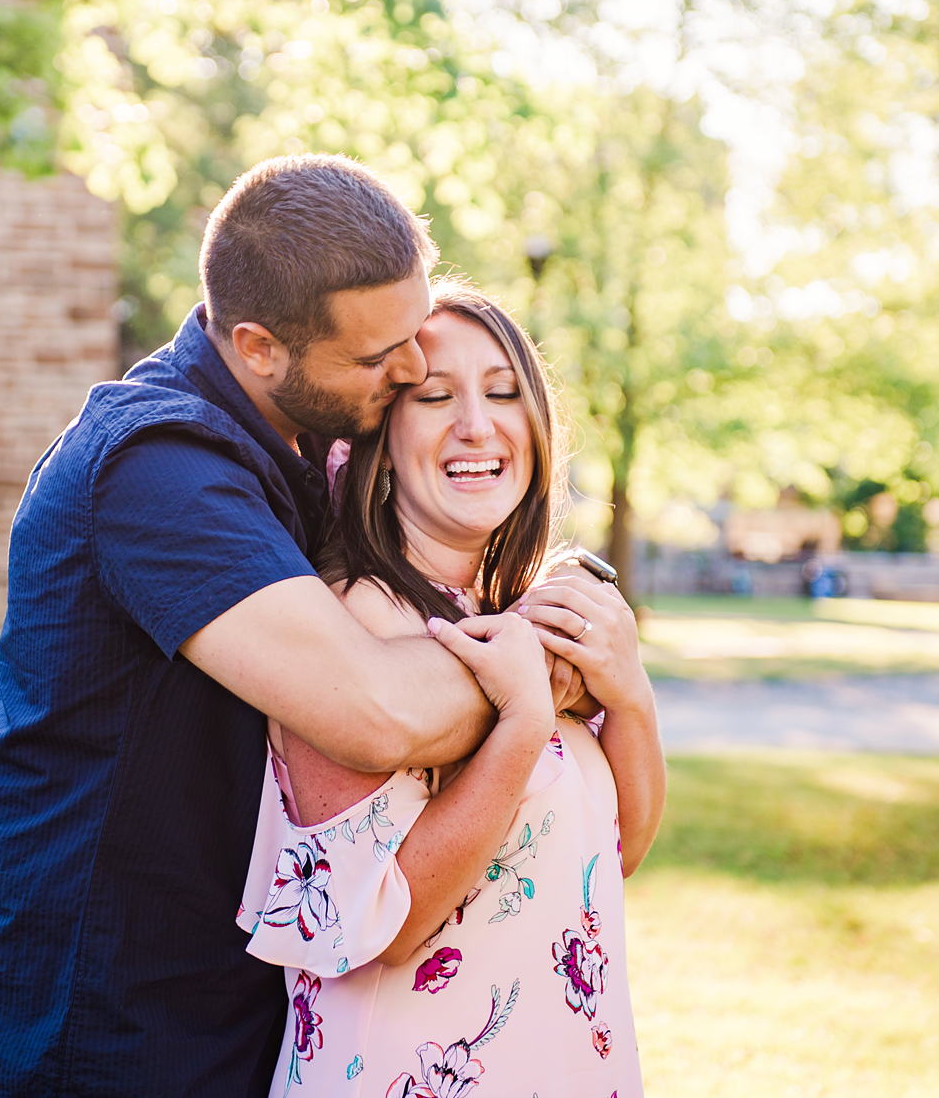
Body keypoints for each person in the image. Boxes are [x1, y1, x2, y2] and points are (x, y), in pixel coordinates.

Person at [0, 155, 639, 1097]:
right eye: (382, 357)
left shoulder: (305, 445)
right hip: (94, 1028)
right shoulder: (159, 467)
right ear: (259, 347)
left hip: (235, 1016)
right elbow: (376, 709)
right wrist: (550, 659)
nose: (415, 367)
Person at [238, 281, 665, 1098]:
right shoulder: (355, 627)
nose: (478, 422)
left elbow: (623, 848)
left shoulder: (525, 614)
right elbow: (384, 922)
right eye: (435, 395)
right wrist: (521, 724)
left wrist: (629, 689)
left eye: (504, 391)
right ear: (378, 439)